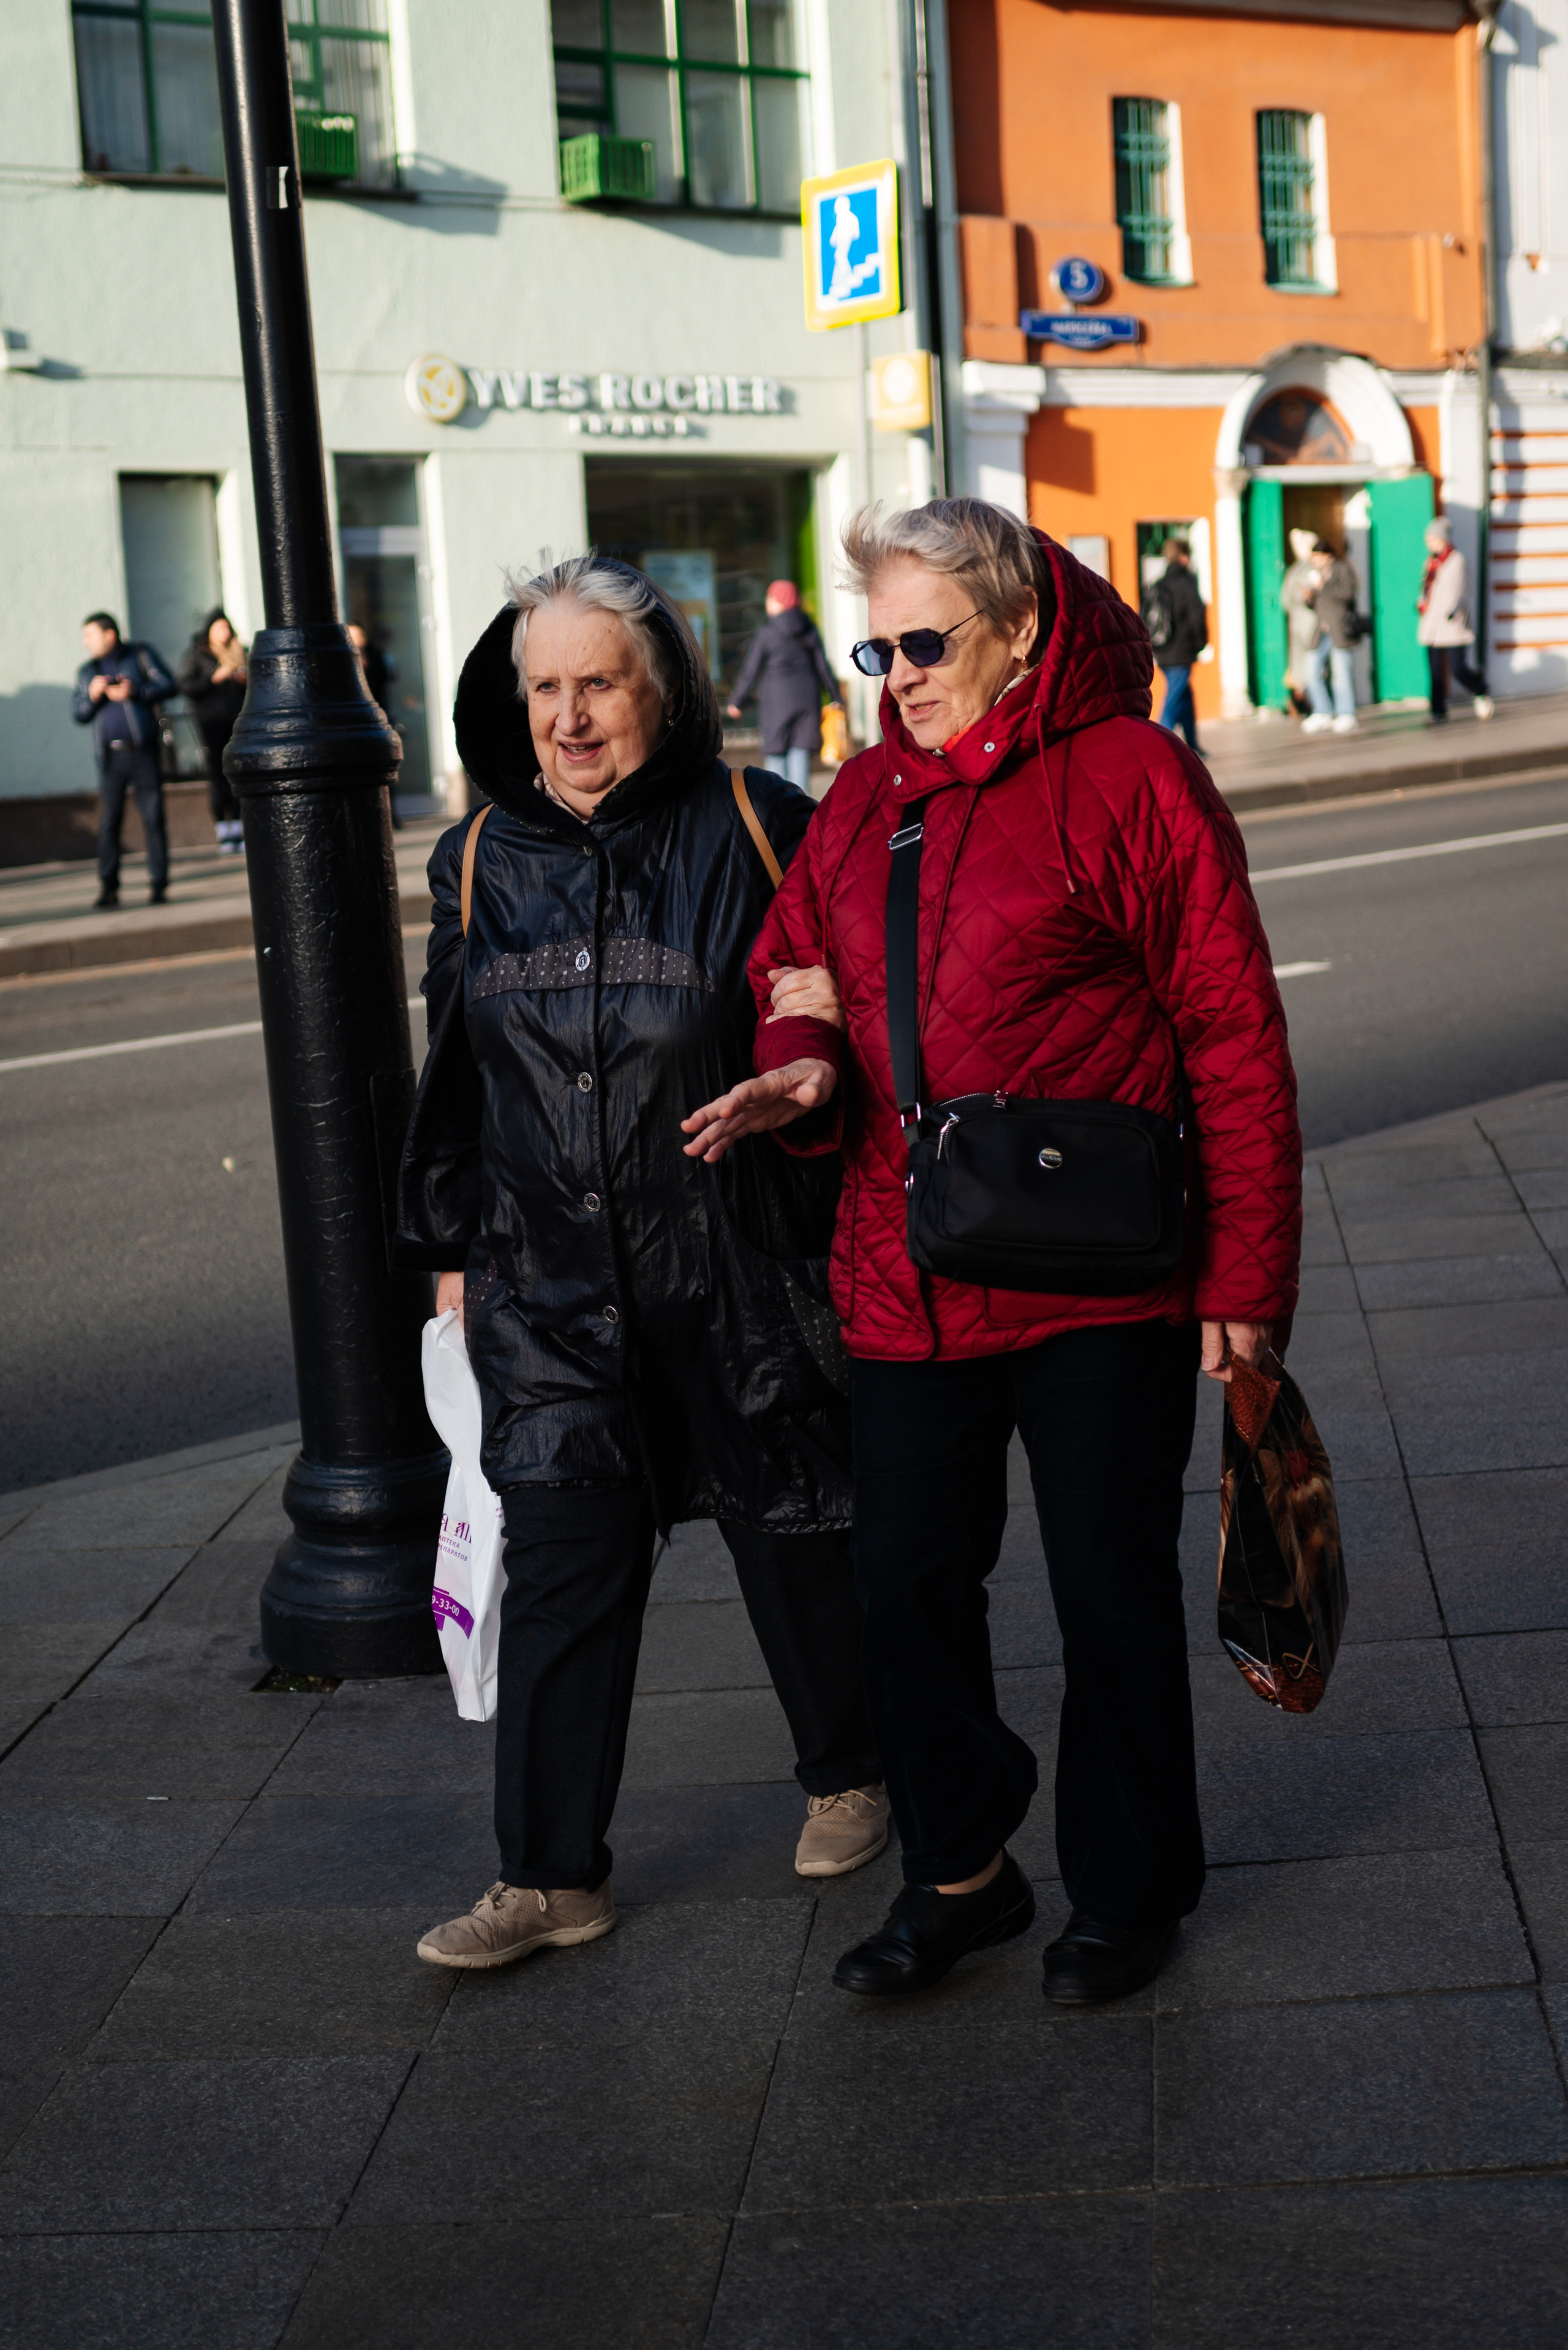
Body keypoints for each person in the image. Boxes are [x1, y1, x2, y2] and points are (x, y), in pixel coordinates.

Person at [684, 498, 1301, 2007]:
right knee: (902, 1586)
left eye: (922, 641)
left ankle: (1127, 1886)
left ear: (1018, 630)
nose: (892, 672)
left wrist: (1240, 1287)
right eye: (873, 644)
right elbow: (796, 958)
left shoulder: (1132, 774)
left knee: (1106, 1587)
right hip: (910, 1271)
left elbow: (1230, 1034)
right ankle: (961, 1872)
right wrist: (800, 1059)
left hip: (1101, 1274)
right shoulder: (867, 795)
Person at [398, 554, 886, 1973]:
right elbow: (455, 1081)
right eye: (541, 687)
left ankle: (848, 1768)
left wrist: (818, 1043)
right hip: (549, 1286)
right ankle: (549, 1877)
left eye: (595, 682)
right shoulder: (479, 857)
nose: (566, 717)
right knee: (558, 1563)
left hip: (732, 1263)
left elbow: (843, 1003)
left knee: (787, 1522)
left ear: (661, 686)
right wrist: (450, 1271)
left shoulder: (753, 823)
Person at [70, 612, 177, 909]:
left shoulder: (140, 655)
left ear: (110, 635)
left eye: (90, 636)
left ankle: (158, 885)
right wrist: (92, 696)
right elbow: (78, 714)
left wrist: (137, 691)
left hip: (144, 752)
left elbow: (170, 684)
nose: (85, 643)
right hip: (111, 757)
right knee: (109, 824)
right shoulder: (87, 671)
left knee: (154, 819)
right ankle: (108, 888)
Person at [725, 580, 843, 794]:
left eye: (771, 598)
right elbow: (823, 666)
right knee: (800, 756)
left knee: (776, 759)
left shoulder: (767, 633)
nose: (767, 602)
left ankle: (779, 815)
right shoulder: (809, 628)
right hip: (808, 701)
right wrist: (836, 697)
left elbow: (751, 670)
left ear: (781, 602)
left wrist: (736, 701)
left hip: (776, 703)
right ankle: (802, 816)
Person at [176, 608, 247, 854]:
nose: (224, 633)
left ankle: (240, 826)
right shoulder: (198, 655)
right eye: (219, 629)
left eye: (227, 628)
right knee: (218, 774)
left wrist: (243, 680)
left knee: (239, 773)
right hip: (211, 721)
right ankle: (223, 828)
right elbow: (186, 684)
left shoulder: (241, 651)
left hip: (238, 721)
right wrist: (213, 679)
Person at [1418, 517, 1494, 722]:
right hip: (1432, 623)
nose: (1431, 543)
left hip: (1452, 622)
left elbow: (1462, 590)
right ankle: (1438, 710)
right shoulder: (1431, 562)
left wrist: (1452, 611)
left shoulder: (1457, 560)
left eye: (1434, 539)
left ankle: (1480, 688)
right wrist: (1421, 603)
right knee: (1435, 670)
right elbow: (1427, 588)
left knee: (1457, 668)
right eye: (1429, 539)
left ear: (1443, 539)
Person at [1145, 537, 1207, 752]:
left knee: (1185, 696)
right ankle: (1158, 746)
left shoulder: (1159, 584)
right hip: (1181, 652)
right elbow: (1197, 615)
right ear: (1184, 556)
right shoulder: (1187, 582)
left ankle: (1193, 745)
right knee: (1173, 698)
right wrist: (1201, 643)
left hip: (1162, 651)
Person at [1300, 540, 1360, 734]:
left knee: (1341, 672)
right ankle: (1322, 710)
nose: (1314, 561)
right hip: (1322, 629)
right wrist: (1309, 597)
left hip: (1339, 628)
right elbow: (1318, 603)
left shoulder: (1342, 568)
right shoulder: (1317, 575)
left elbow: (1348, 594)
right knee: (1311, 669)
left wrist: (1323, 586)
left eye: (1317, 556)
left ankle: (1346, 713)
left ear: (1327, 555)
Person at [1280, 527, 1322, 718]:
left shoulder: (1301, 569)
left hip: (1303, 622)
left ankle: (1313, 704)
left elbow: (1289, 599)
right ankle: (1307, 703)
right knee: (1305, 665)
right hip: (1304, 622)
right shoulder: (1302, 569)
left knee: (1308, 664)